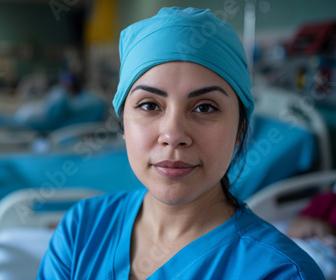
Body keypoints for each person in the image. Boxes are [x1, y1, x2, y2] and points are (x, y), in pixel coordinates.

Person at [37, 7, 324, 279]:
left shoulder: (278, 272)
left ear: (240, 130)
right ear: (123, 123)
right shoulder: (81, 230)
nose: (173, 134)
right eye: (149, 105)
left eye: (205, 108)